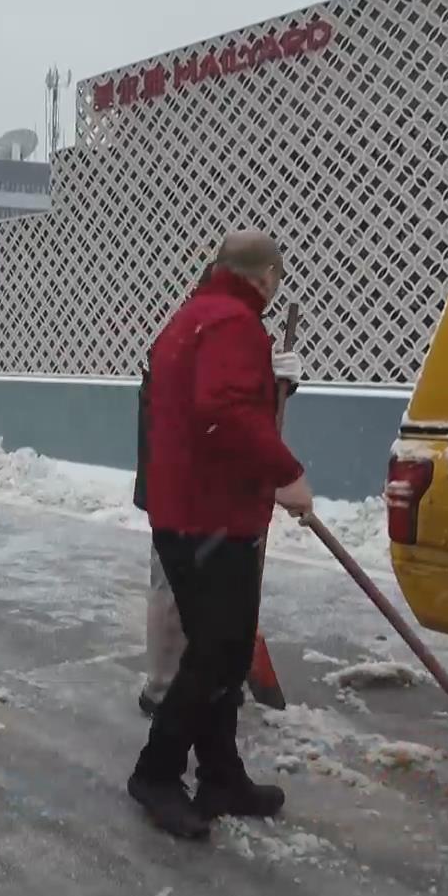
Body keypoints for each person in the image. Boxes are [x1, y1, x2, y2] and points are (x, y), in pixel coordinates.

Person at [128, 230, 313, 841]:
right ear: (265, 277)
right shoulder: (235, 324)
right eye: (276, 280)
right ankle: (156, 773)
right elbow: (225, 411)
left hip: (188, 512)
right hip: (211, 517)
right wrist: (286, 473)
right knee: (215, 652)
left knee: (225, 651)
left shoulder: (193, 316)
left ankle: (221, 774)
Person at [133, 264, 302, 718]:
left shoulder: (225, 332)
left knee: (212, 608)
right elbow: (210, 413)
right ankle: (164, 688)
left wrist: (277, 382)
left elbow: (241, 407)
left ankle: (210, 691)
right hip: (179, 495)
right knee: (173, 597)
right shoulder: (188, 335)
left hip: (218, 500)